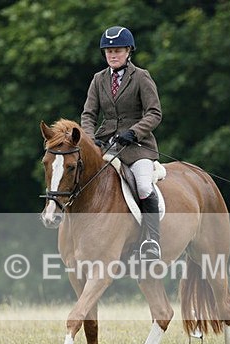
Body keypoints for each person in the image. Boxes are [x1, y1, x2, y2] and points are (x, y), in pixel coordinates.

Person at [81, 26, 163, 261]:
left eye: (117, 51)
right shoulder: (98, 79)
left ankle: (151, 241)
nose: (112, 55)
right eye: (109, 51)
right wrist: (90, 139)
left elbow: (154, 113)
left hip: (137, 147)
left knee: (144, 186)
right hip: (106, 145)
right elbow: (88, 115)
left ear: (128, 51)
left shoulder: (141, 77)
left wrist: (134, 133)